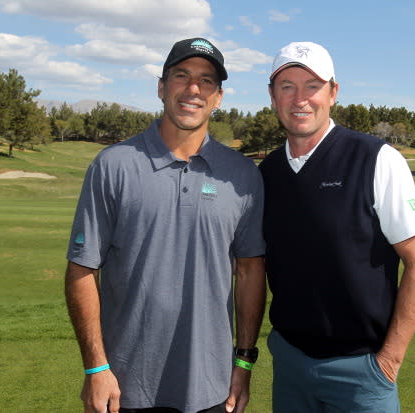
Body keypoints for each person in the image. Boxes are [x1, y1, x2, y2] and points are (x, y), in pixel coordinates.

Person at [65, 37, 266, 413]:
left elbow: (251, 270)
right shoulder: (113, 165)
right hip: (124, 388)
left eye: (206, 81)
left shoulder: (242, 175)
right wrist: (95, 367)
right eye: (181, 76)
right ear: (161, 87)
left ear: (219, 97)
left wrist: (243, 363)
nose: (193, 89)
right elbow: (81, 268)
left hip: (212, 388)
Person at [259, 41, 415, 412]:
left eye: (313, 86)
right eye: (287, 86)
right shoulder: (268, 172)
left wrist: (389, 361)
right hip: (290, 363)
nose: (299, 99)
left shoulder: (376, 159)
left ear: (333, 92)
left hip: (362, 371)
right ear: (273, 96)